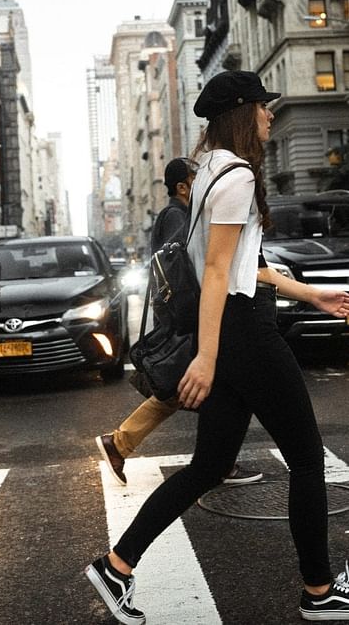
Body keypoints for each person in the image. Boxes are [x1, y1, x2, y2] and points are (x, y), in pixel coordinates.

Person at [86, 71, 349, 624]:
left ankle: (116, 565)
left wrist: (312, 294)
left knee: (209, 465)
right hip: (246, 333)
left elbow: (236, 263)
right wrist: (207, 356)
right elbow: (213, 270)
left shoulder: (207, 170)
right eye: (262, 106)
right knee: (306, 461)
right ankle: (320, 592)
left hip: (233, 329)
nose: (269, 115)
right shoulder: (237, 177)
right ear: (240, 112)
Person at [95, 157, 261, 488]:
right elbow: (183, 266)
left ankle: (121, 443)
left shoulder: (177, 214)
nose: (202, 183)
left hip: (185, 317)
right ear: (183, 187)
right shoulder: (176, 216)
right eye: (195, 178)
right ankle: (218, 463)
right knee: (206, 388)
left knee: (183, 391)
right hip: (188, 318)